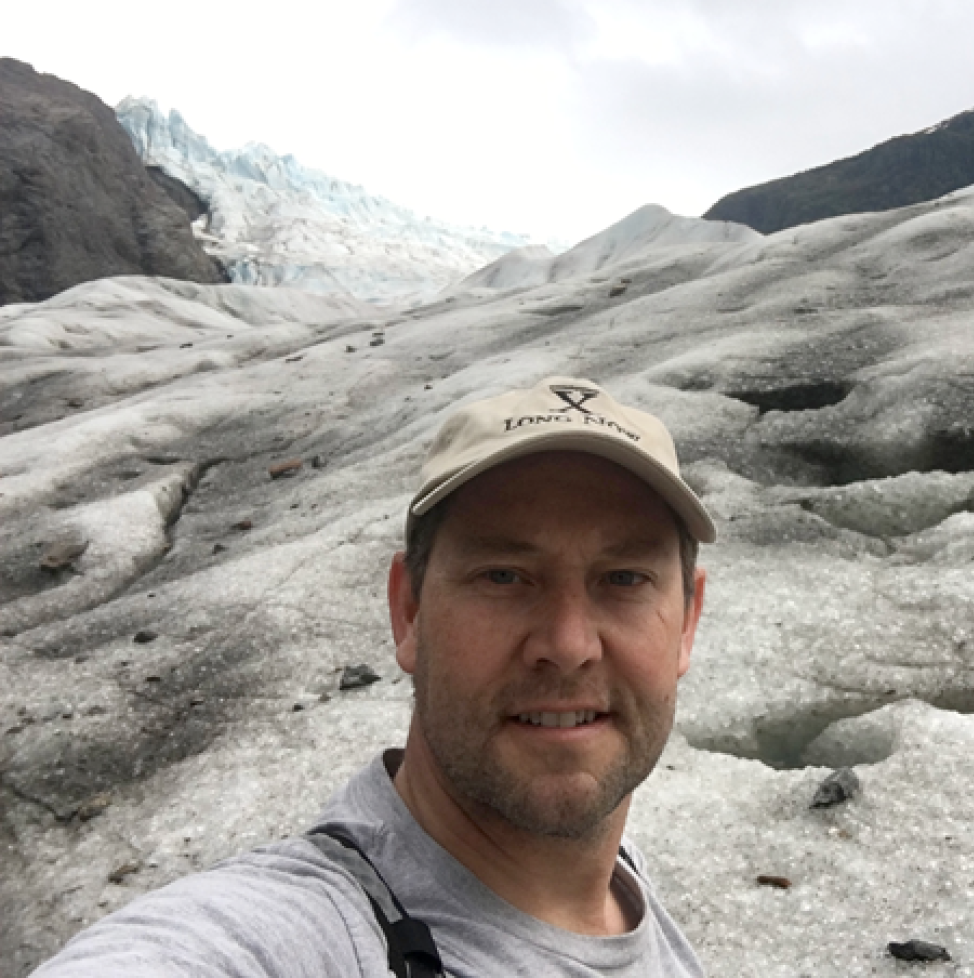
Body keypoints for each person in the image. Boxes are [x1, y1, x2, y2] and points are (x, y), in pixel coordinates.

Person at [34, 375, 715, 977]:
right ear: (408, 611)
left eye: (624, 578)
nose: (567, 645)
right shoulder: (298, 931)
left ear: (687, 623)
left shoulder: (618, 886)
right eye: (503, 575)